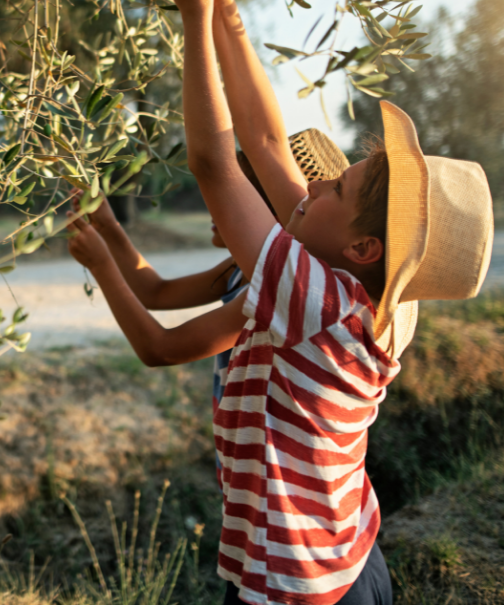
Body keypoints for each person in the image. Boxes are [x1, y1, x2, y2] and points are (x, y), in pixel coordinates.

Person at [162, 0, 494, 605]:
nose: (312, 187)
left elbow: (218, 164)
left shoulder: (319, 304)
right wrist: (228, 8)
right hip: (350, 562)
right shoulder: (360, 296)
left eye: (335, 188)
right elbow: (265, 141)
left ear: (365, 249)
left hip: (293, 589)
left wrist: (194, 21)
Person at [71, 129, 349, 492]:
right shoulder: (240, 269)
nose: (215, 202)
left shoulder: (275, 292)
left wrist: (102, 266)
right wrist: (107, 226)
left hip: (291, 498)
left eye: (241, 194)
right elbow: (156, 292)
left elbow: (161, 349)